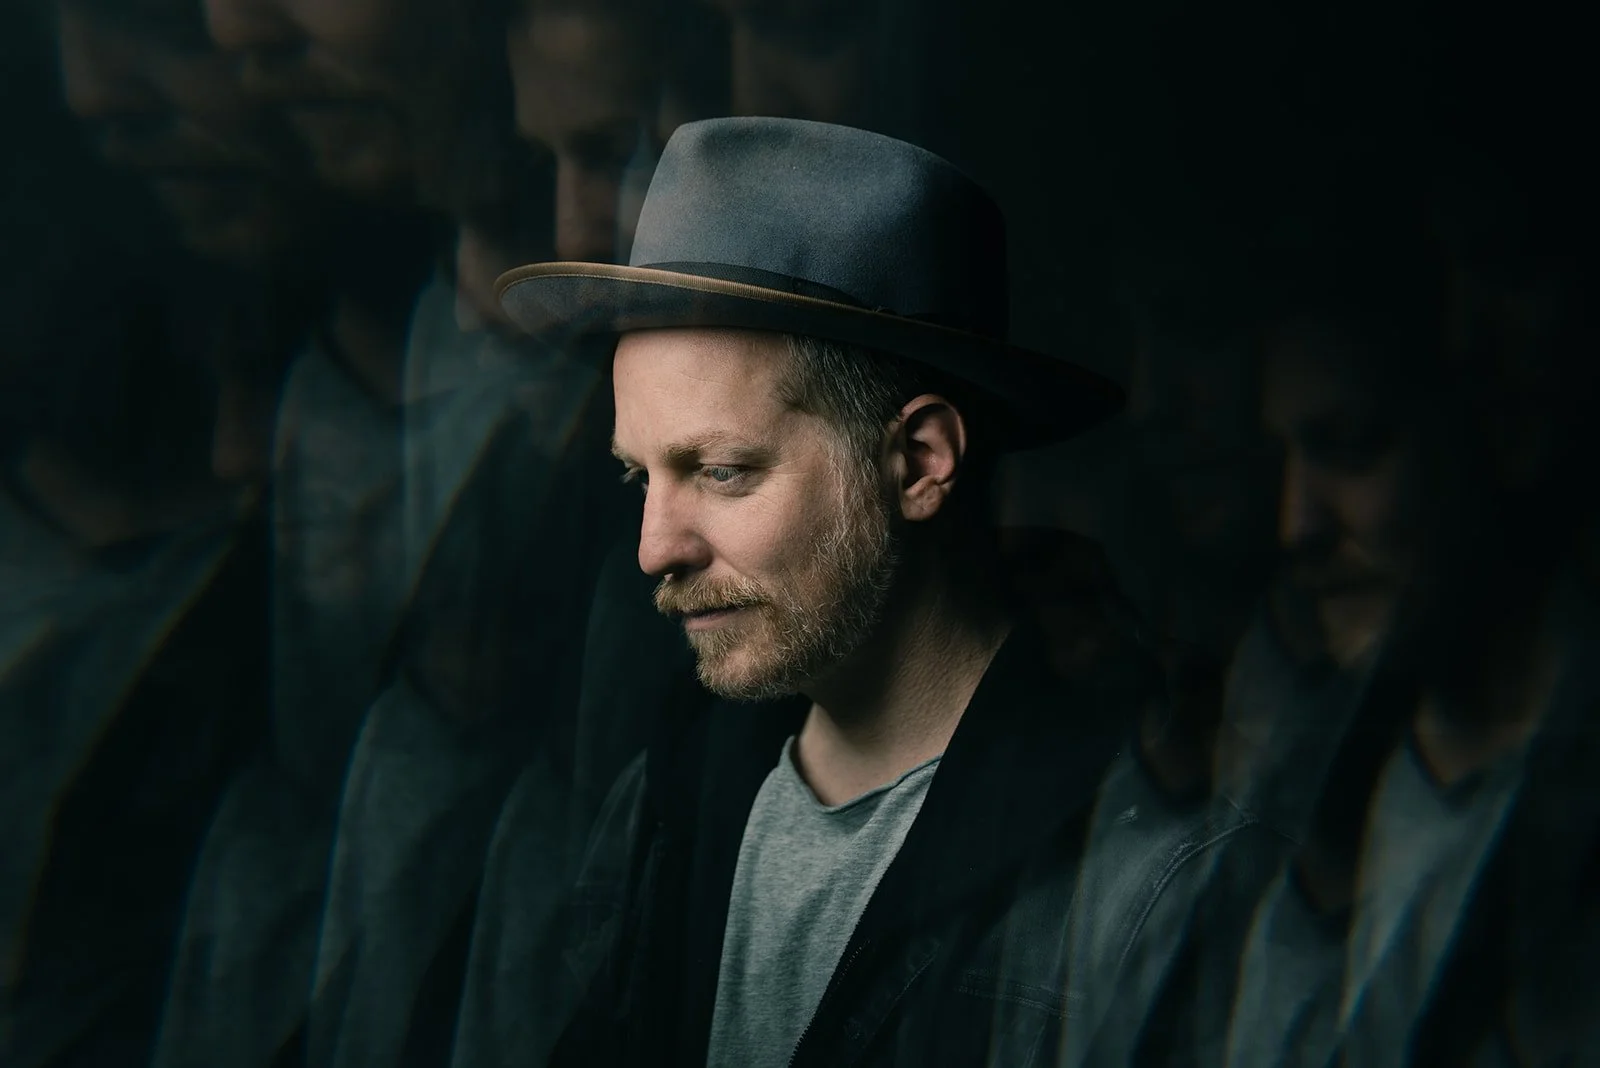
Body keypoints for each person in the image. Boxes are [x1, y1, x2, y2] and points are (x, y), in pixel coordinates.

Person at [495, 115, 1270, 1068]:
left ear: (919, 460)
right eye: (639, 476)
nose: (656, 549)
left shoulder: (1149, 879)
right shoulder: (667, 796)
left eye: (723, 471)